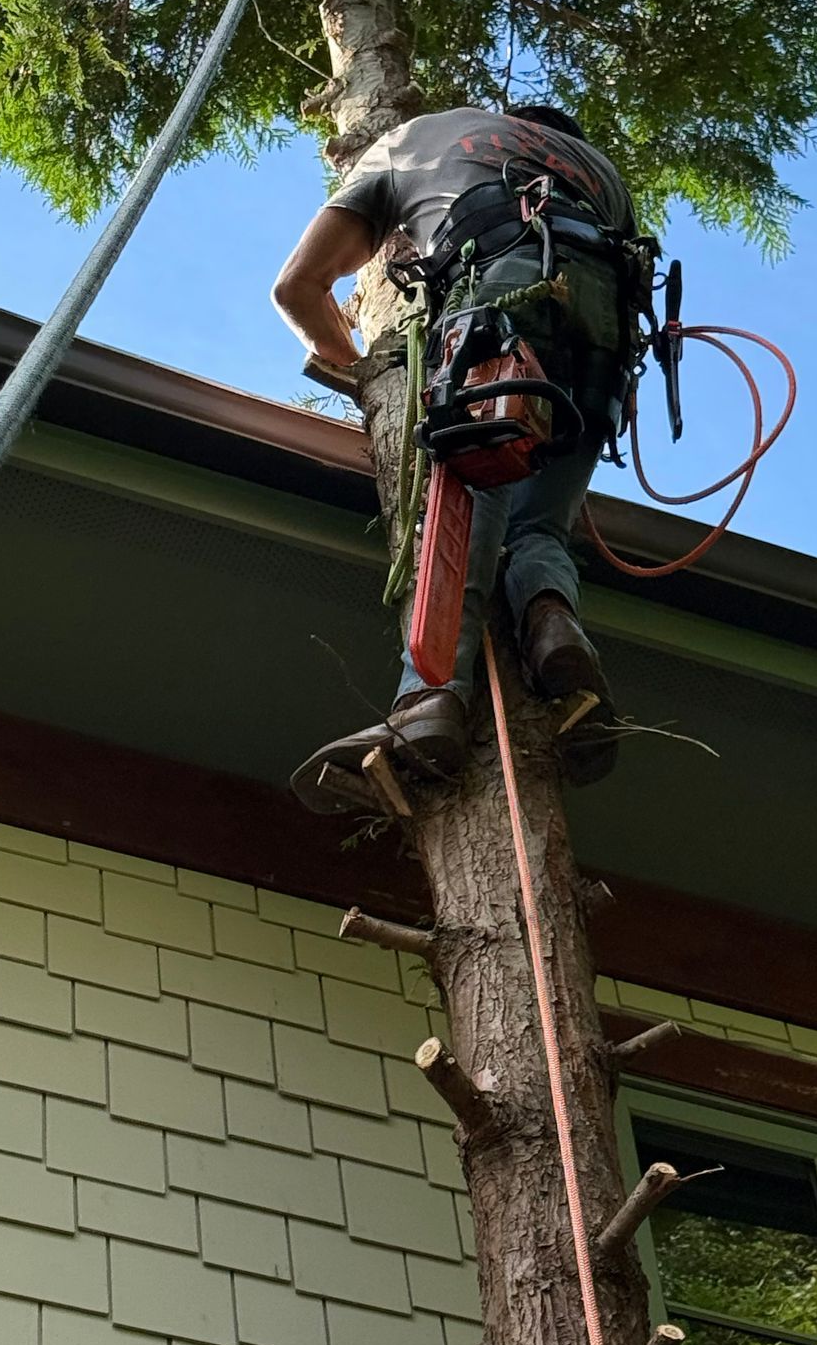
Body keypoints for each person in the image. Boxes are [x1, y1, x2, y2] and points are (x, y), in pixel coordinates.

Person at [273, 102, 638, 812]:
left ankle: (429, 701)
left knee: (467, 496)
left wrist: (361, 372)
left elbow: (298, 287)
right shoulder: (604, 176)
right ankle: (551, 620)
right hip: (607, 347)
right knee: (539, 529)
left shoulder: (417, 137)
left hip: (502, 307)